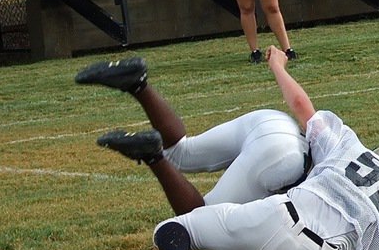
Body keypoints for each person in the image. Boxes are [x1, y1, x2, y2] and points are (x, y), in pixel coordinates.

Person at [114, 47, 379, 250]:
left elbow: (303, 106)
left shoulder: (350, 149)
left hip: (280, 216)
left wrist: (278, 66)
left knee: (176, 227)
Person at [76, 56, 308, 209]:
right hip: (283, 154)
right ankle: (151, 155)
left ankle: (138, 83)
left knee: (179, 153)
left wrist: (277, 66)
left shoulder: (341, 137)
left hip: (274, 121)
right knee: (202, 217)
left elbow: (301, 104)